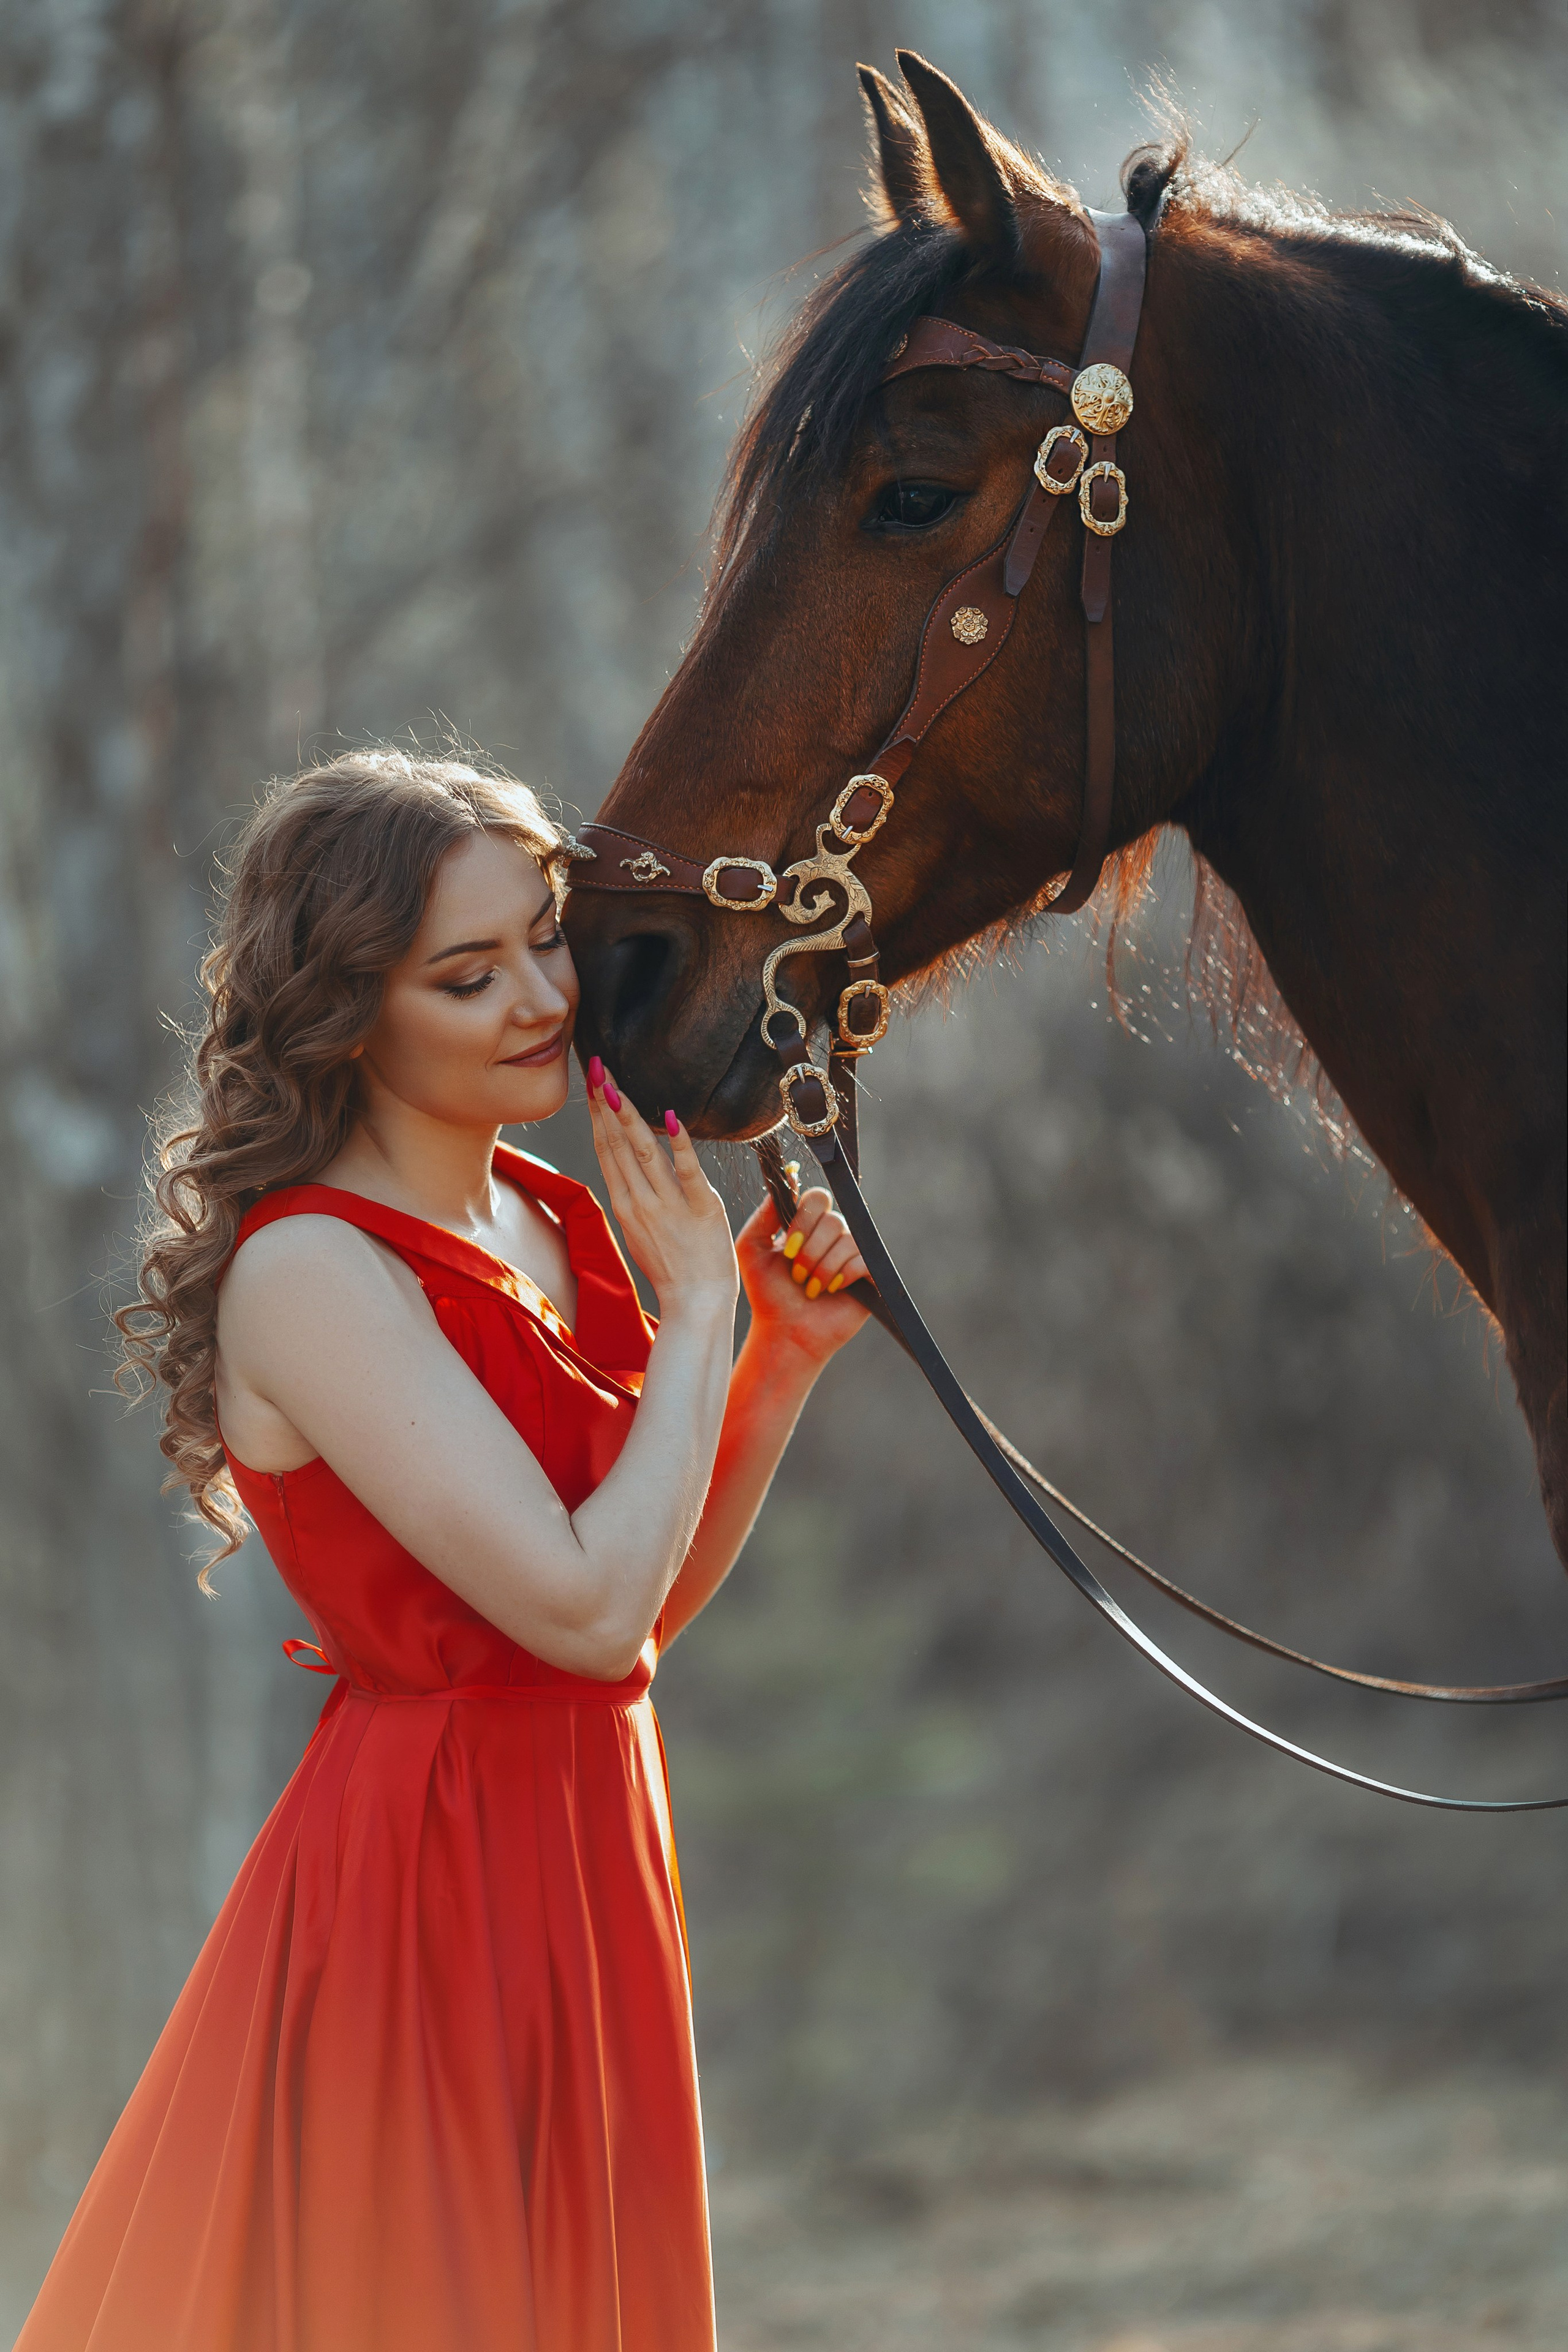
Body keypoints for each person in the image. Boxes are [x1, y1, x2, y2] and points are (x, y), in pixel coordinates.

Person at [18, 751, 870, 2352]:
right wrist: (697, 1314)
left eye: (544, 939)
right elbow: (578, 1607)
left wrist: (771, 1367)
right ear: (350, 1012)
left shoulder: (551, 1216)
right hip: (430, 1882)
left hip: (596, 1838)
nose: (543, 996)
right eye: (467, 975)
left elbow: (639, 1613)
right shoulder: (312, 1272)